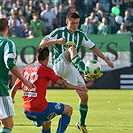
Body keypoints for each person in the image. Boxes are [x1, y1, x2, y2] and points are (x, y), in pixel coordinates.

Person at [40, 12, 114, 133]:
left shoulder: (80, 35)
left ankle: (81, 123)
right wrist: (57, 41)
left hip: (69, 67)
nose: (75, 25)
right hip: (58, 65)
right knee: (72, 49)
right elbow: (42, 44)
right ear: (66, 22)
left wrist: (106, 60)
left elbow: (93, 47)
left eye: (77, 23)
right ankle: (84, 69)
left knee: (84, 94)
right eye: (72, 23)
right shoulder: (58, 32)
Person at [10, 46, 88, 133]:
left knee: (46, 123)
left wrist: (12, 99)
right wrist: (79, 87)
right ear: (47, 58)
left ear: (36, 57)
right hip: (40, 110)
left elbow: (14, 88)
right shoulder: (45, 69)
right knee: (68, 110)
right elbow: (63, 84)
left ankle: (39, 120)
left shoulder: (26, 69)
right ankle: (41, 120)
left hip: (27, 111)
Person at [0, 18, 35, 133]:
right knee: (8, 124)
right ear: (8, 28)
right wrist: (24, 80)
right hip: (0, 89)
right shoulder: (7, 43)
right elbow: (9, 63)